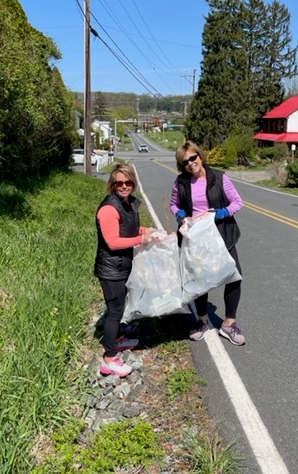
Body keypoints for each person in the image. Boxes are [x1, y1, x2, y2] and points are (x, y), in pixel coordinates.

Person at [170, 141, 246, 346]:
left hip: (223, 234)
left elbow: (237, 202)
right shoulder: (181, 183)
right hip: (197, 238)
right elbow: (173, 205)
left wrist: (220, 213)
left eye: (193, 158)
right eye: (185, 162)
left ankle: (229, 324)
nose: (190, 164)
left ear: (200, 157)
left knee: (234, 277)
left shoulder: (219, 178)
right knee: (199, 281)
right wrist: (181, 215)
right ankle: (202, 321)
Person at [94, 163, 156, 377]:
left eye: (128, 182)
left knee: (118, 309)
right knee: (114, 312)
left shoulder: (127, 204)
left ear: (133, 183)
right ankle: (109, 359)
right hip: (111, 270)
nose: (123, 186)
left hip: (121, 267)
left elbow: (127, 228)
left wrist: (147, 230)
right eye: (119, 183)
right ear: (112, 183)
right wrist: (141, 239)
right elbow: (112, 242)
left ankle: (117, 341)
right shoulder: (109, 208)